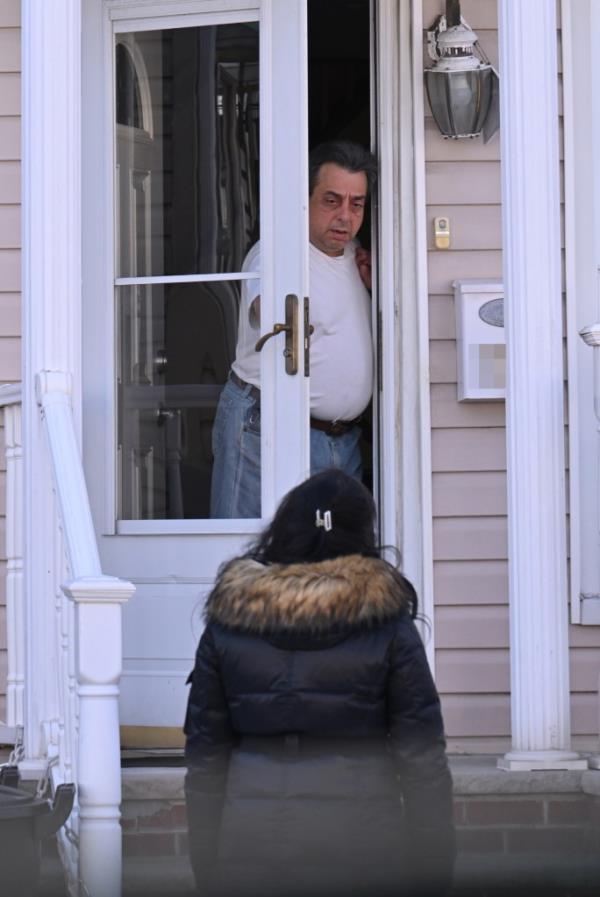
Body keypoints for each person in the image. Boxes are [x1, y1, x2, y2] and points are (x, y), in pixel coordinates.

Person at [184, 469, 455, 897]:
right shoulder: (389, 627)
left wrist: (207, 866)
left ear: (284, 529)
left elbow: (205, 760)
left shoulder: (226, 625)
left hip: (250, 846)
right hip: (364, 848)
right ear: (362, 535)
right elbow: (423, 763)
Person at [210, 141, 378, 519]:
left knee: (327, 563)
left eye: (357, 203)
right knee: (248, 554)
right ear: (304, 199)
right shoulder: (275, 253)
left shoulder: (357, 256)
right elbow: (265, 309)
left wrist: (376, 284)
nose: (345, 216)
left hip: (341, 443)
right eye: (331, 200)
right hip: (266, 431)